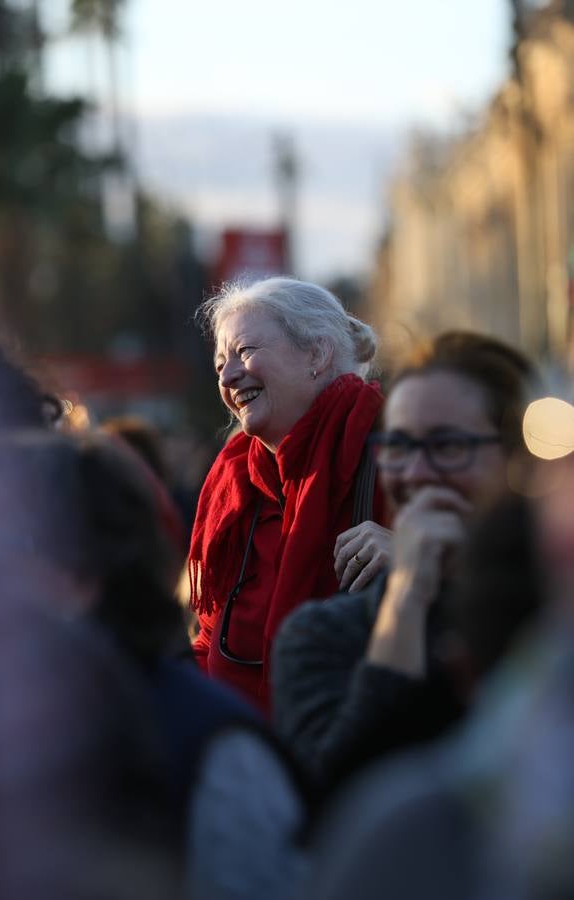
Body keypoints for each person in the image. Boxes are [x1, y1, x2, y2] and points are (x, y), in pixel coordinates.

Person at [272, 330, 539, 790]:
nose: (415, 474)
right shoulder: (321, 636)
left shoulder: (555, 616)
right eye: (399, 447)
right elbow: (339, 804)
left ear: (517, 456)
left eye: (448, 446)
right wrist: (408, 597)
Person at [188, 277, 390, 714]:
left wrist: (411, 555)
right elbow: (208, 638)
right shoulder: (233, 485)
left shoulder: (395, 452)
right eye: (220, 363)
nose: (227, 374)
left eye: (244, 352)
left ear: (316, 354)